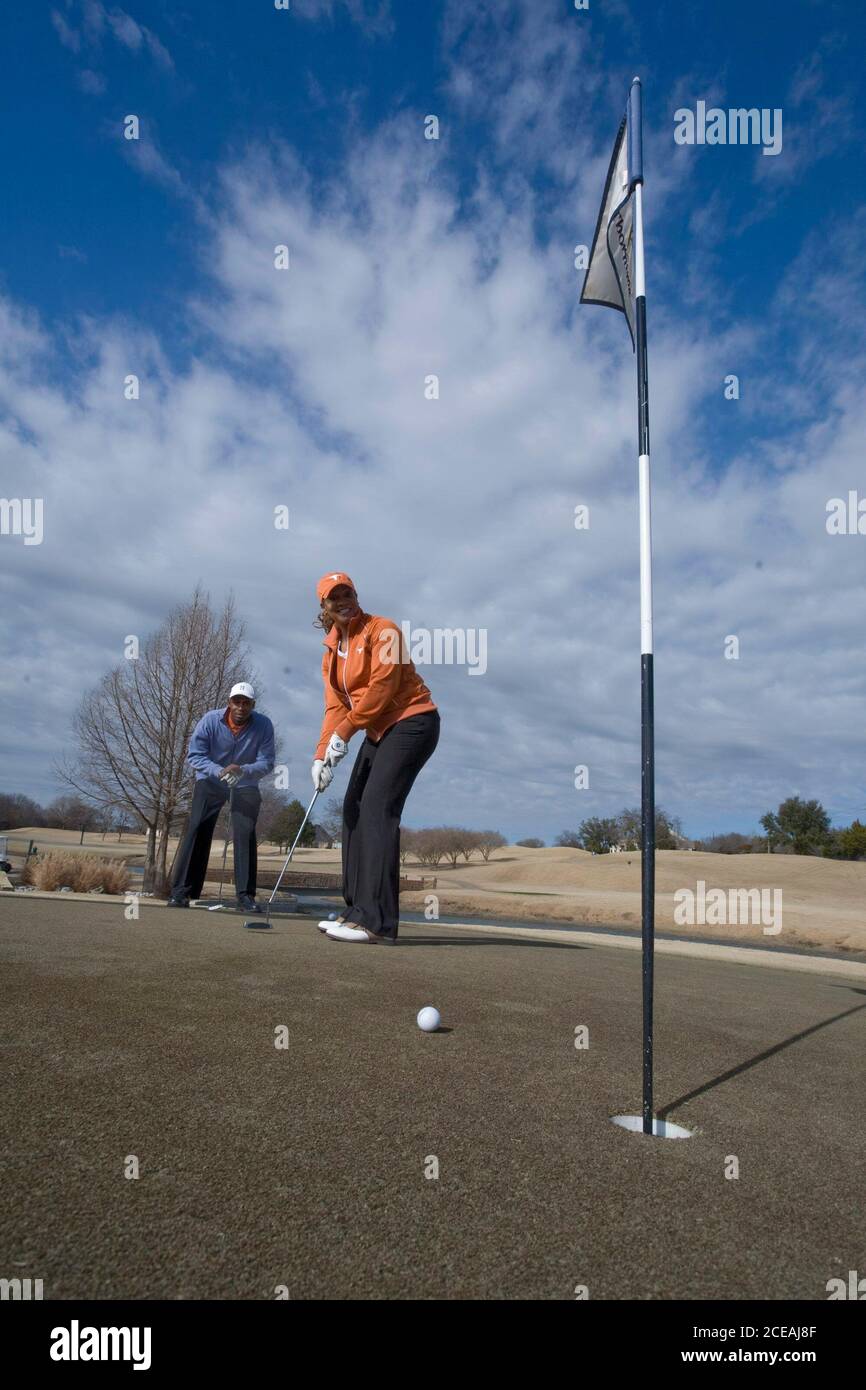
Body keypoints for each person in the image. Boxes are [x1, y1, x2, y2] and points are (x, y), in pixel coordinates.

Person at [312, 572, 440, 944]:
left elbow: (383, 688)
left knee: (376, 809)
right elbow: (335, 705)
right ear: (324, 607)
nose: (343, 600)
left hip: (413, 722)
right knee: (351, 808)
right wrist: (322, 755)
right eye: (334, 597)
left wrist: (346, 731)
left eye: (347, 592)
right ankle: (355, 910)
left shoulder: (384, 630)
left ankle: (378, 923)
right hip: (377, 731)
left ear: (356, 594)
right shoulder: (332, 654)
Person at [168, 682, 275, 912]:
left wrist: (243, 769)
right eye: (237, 702)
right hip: (211, 778)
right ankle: (181, 893)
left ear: (253, 706)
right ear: (229, 703)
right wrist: (218, 770)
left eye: (246, 703)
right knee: (197, 827)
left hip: (245, 782)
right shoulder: (210, 720)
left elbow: (267, 762)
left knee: (245, 833)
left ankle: (245, 897)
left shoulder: (264, 725)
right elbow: (195, 755)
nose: (241, 707)